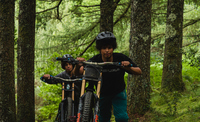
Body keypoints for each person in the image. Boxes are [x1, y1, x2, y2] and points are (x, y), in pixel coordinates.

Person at [74, 31, 142, 122]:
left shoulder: (120, 58)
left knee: (122, 118)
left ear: (113, 48)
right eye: (104, 48)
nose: (107, 50)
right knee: (103, 118)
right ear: (100, 49)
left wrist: (128, 67)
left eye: (109, 48)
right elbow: (78, 73)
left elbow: (139, 71)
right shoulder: (95, 60)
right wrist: (78, 65)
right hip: (102, 94)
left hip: (118, 92)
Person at [40, 54, 81, 122]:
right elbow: (54, 79)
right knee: (61, 110)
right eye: (66, 65)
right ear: (63, 66)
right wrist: (46, 77)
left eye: (70, 64)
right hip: (66, 102)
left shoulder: (78, 74)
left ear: (73, 65)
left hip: (78, 101)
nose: (68, 66)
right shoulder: (63, 75)